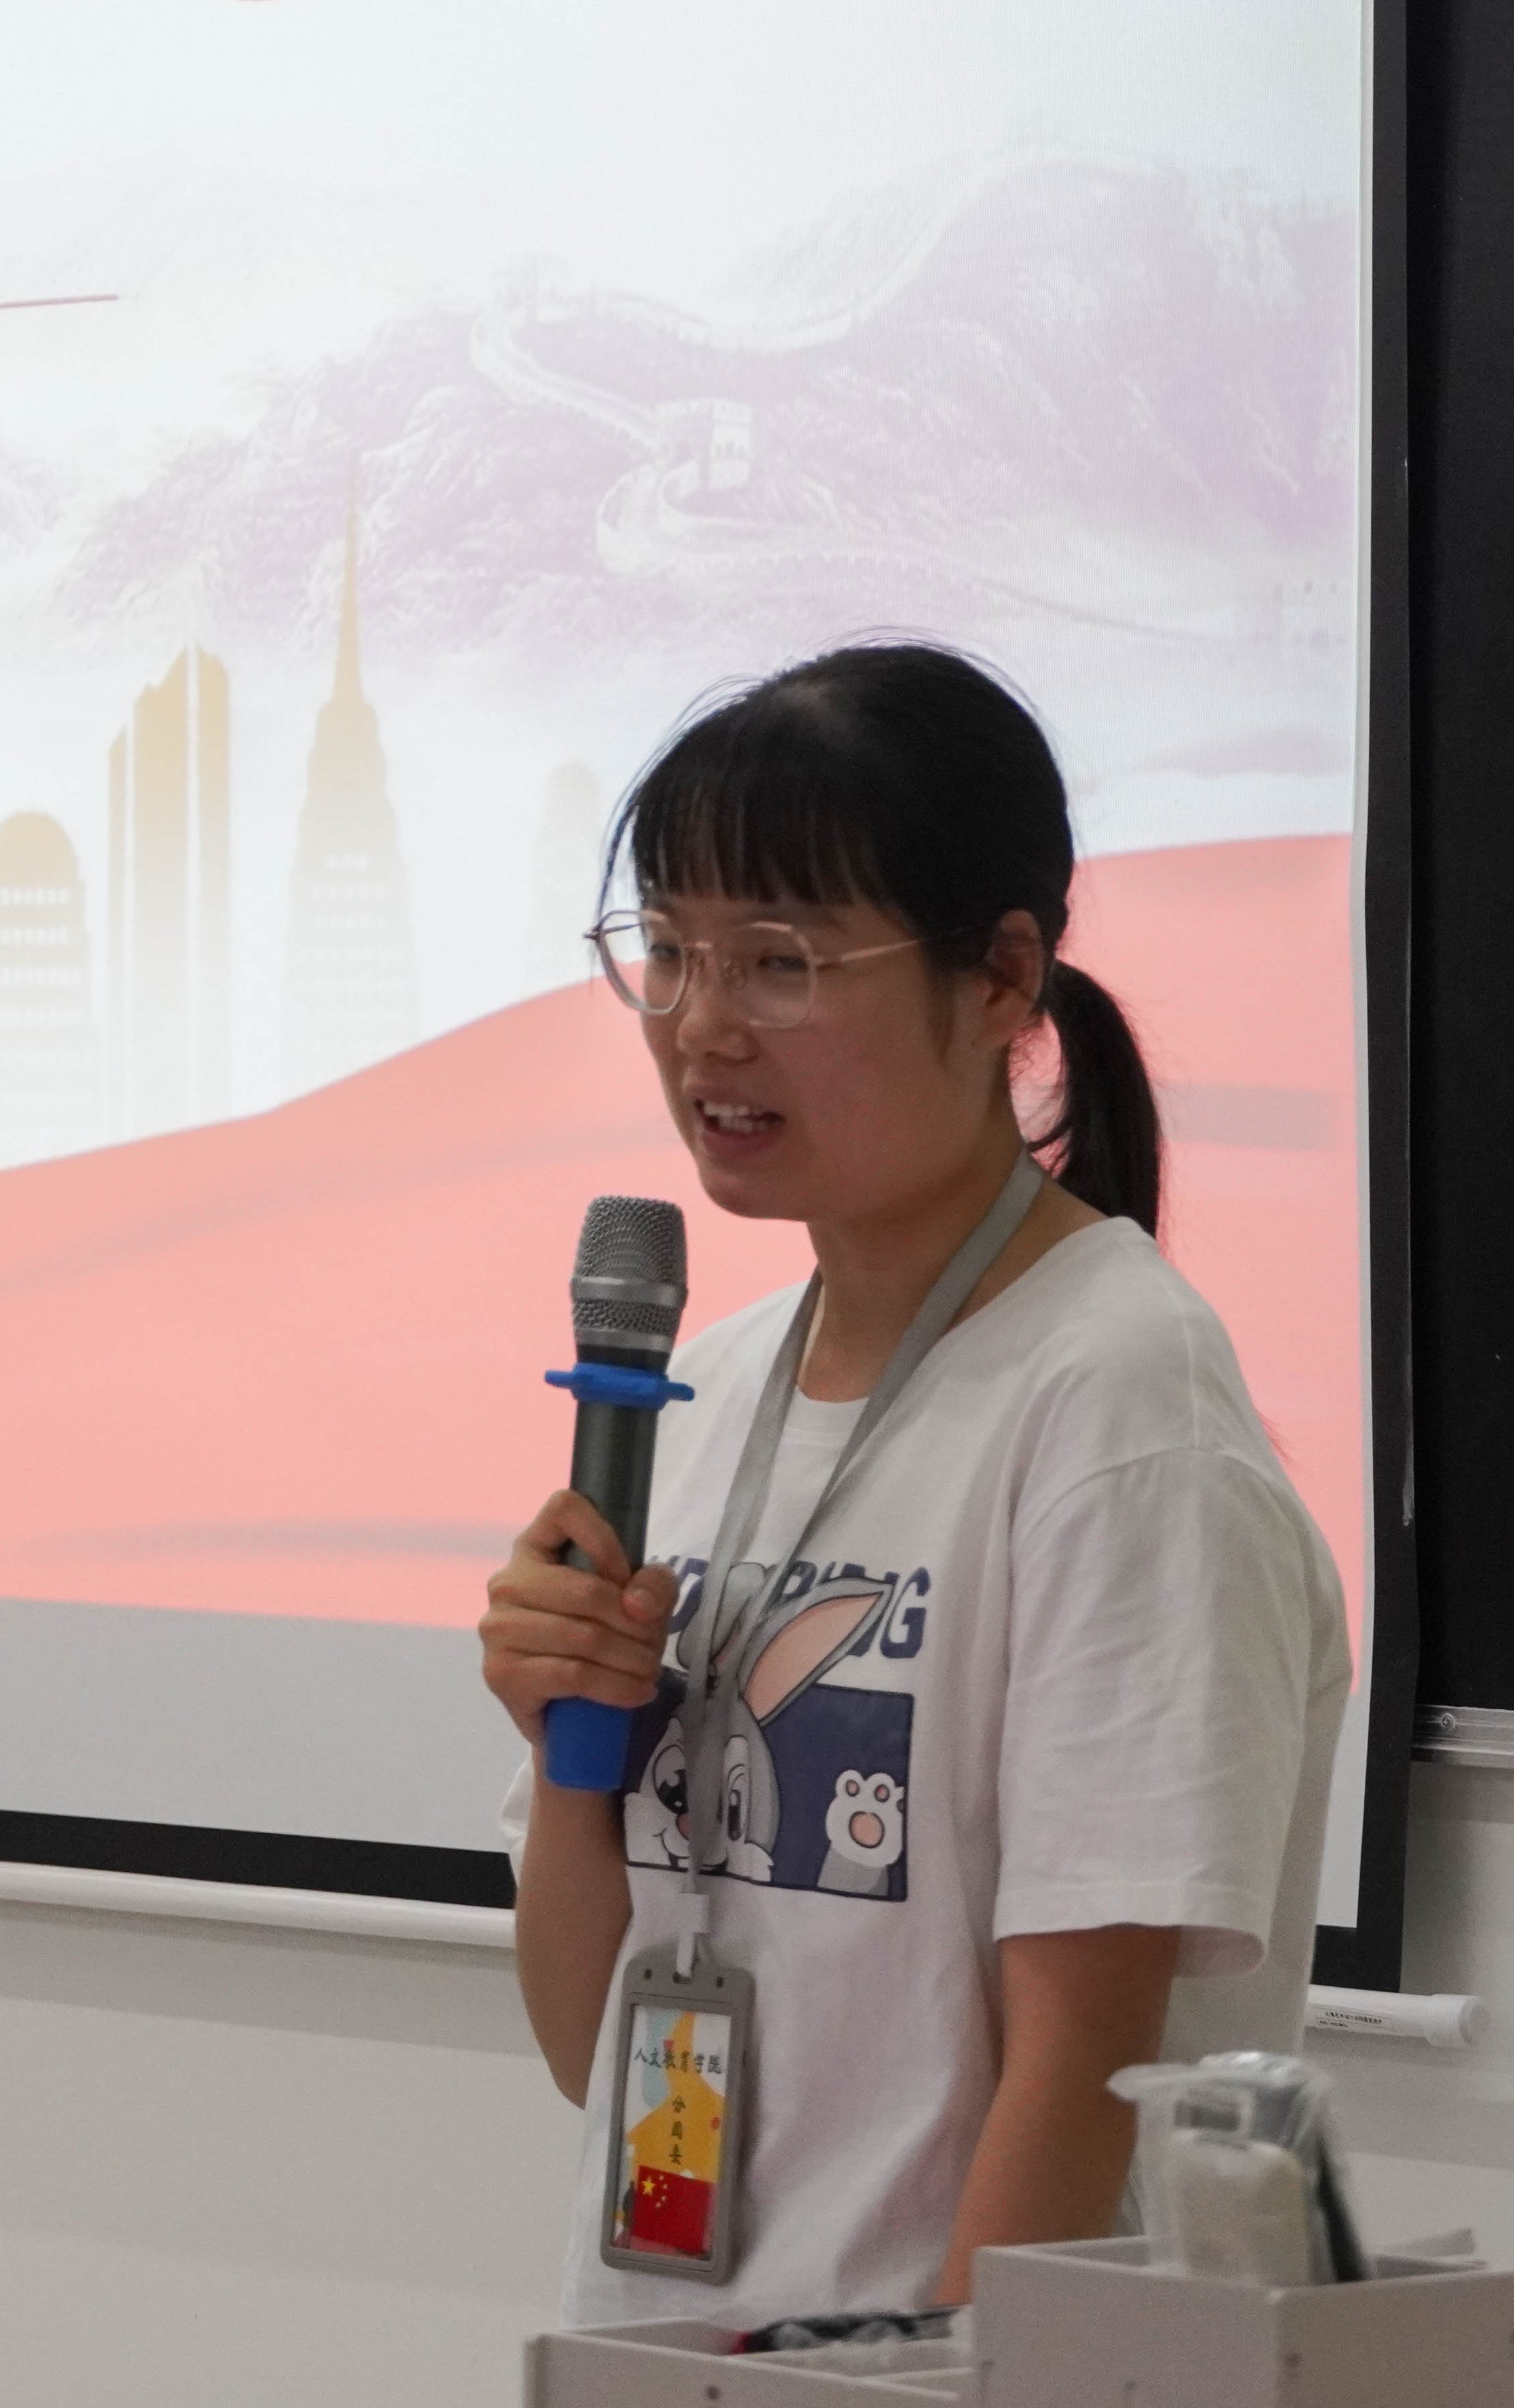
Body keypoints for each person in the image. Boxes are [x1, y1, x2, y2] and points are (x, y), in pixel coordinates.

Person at [477, 643, 1351, 2329]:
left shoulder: (1118, 1402)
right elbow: (592, 2045)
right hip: (665, 2345)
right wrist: (566, 1753)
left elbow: (1083, 2078)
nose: (704, 1024)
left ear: (1003, 974)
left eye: (782, 960)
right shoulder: (705, 1392)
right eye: (671, 950)